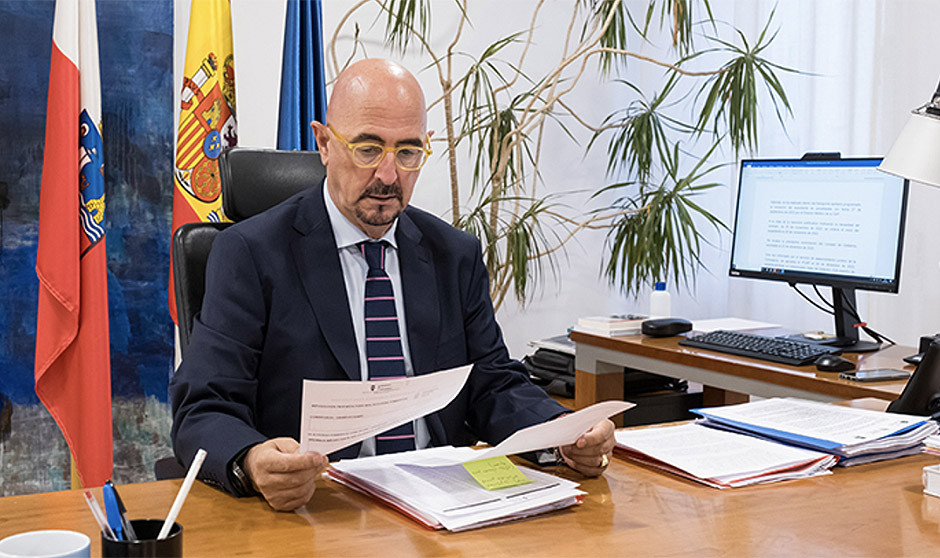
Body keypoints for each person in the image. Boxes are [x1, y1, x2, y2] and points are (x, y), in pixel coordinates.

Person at [170, 58, 615, 512]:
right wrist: (252, 459)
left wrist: (565, 431)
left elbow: (492, 384)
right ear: (324, 143)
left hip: (442, 504)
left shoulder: (453, 255)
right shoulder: (251, 253)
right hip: (319, 508)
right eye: (367, 148)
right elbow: (203, 408)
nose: (388, 175)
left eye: (407, 152)